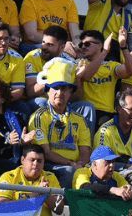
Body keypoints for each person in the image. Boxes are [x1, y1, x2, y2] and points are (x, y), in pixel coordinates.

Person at [28, 60, 91, 188]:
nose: (60, 93)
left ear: (70, 93)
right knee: (70, 172)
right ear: (47, 91)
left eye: (64, 89)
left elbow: (85, 150)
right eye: (55, 88)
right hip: (51, 166)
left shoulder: (79, 119)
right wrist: (70, 164)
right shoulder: (39, 116)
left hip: (75, 165)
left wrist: (80, 163)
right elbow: (45, 152)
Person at [96, 92, 132, 194]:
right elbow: (102, 163)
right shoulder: (106, 130)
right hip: (111, 171)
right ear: (119, 109)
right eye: (131, 109)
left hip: (131, 169)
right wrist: (130, 166)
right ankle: (128, 208)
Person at [0, 143, 61, 214]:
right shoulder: (8, 177)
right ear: (22, 160)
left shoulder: (50, 177)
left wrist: (46, 195)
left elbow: (59, 210)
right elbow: (2, 207)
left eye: (39, 161)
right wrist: (36, 193)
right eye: (32, 160)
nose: (36, 164)